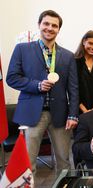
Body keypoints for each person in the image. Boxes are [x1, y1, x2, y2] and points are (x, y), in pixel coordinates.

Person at [6, 10, 79, 173]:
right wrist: (37, 85)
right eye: (46, 23)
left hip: (60, 115)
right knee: (29, 163)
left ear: (59, 29)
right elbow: (12, 78)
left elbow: (73, 87)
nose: (50, 28)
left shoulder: (68, 56)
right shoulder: (22, 49)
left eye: (55, 25)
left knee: (64, 161)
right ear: (39, 25)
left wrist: (73, 114)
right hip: (33, 113)